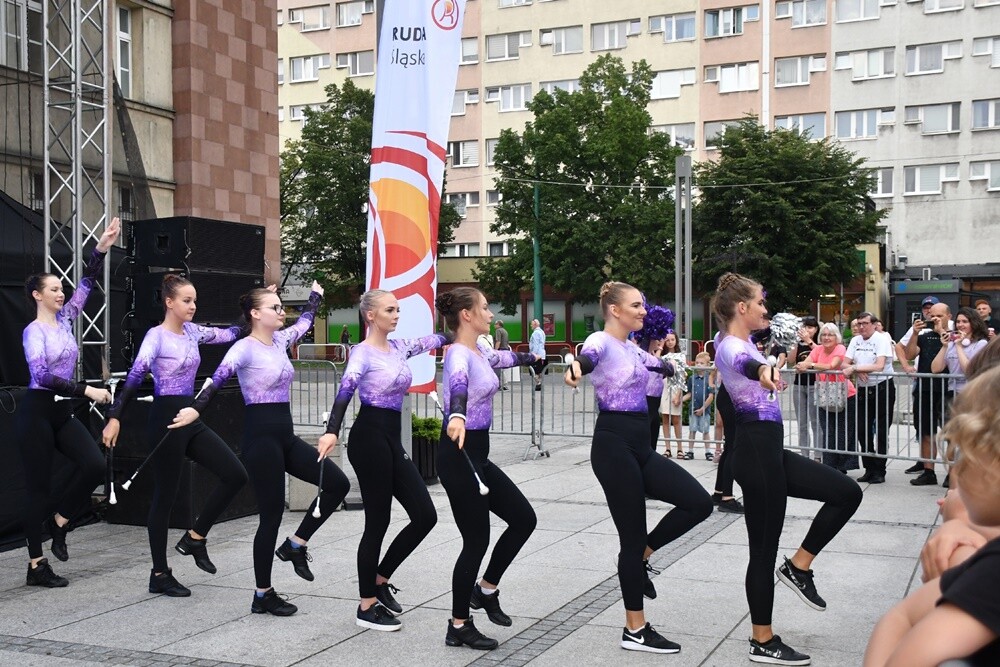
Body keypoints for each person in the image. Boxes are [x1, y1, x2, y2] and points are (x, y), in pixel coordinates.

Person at [170, 281, 350, 617]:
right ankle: (262, 594)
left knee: (337, 484)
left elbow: (305, 323)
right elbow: (216, 379)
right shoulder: (244, 348)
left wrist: (316, 296)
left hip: (286, 437)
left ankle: (296, 545)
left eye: (281, 307)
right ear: (255, 314)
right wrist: (196, 408)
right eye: (274, 307)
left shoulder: (281, 341)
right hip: (260, 441)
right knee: (271, 517)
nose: (282, 311)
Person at [712, 272, 862, 666]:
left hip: (770, 453)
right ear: (742, 308)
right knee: (762, 551)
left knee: (847, 493)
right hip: (756, 456)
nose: (766, 308)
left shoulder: (745, 340)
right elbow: (745, 365)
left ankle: (799, 566)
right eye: (761, 303)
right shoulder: (730, 346)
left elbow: (756, 356)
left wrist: (772, 360)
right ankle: (762, 640)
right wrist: (764, 371)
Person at [565, 281, 712, 654]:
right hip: (613, 445)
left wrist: (672, 365)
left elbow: (658, 365)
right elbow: (586, 357)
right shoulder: (601, 341)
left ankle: (645, 554)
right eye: (636, 305)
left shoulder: (632, 349)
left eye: (643, 305)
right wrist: (576, 368)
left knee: (699, 503)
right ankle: (635, 628)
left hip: (641, 447)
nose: (643, 311)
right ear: (615, 310)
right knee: (629, 540)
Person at [102, 274, 250, 597]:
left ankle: (195, 537)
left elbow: (232, 334)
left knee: (235, 474)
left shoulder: (193, 332)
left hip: (191, 416)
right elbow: (133, 379)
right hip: (165, 421)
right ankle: (159, 573)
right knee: (165, 497)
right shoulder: (155, 337)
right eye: (186, 300)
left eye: (194, 300)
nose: (193, 306)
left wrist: (251, 307)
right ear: (168, 302)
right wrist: (115, 418)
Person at [317, 289, 450, 631]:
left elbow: (434, 338)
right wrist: (332, 431)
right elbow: (344, 391)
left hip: (391, 439)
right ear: (370, 316)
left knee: (425, 515)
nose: (396, 314)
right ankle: (366, 606)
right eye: (390, 310)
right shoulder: (361, 354)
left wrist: (461, 332)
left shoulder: (399, 346)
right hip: (369, 438)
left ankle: (380, 579)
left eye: (398, 309)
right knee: (377, 522)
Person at [863, 366, 1000, 667]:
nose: (955, 470)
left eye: (962, 452)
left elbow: (909, 652)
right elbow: (899, 616)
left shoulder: (992, 571)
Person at [16, 217, 121, 588]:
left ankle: (59, 523)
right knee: (37, 489)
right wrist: (87, 390)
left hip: (61, 412)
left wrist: (102, 246)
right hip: (38, 412)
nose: (61, 294)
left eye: (62, 289)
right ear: (37, 295)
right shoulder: (34, 332)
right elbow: (42, 376)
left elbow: (88, 283)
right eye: (54, 290)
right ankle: (35, 566)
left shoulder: (65, 321)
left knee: (93, 465)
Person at [436, 287, 542, 651]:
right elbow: (458, 386)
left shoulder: (481, 349)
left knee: (523, 518)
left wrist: (533, 358)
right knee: (476, 540)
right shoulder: (458, 355)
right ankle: (458, 624)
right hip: (459, 453)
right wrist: (458, 414)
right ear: (466, 315)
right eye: (484, 307)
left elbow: (503, 360)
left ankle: (485, 590)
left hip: (478, 453)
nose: (491, 313)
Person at [901, 302, 950, 486]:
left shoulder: (955, 337)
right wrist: (914, 333)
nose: (935, 318)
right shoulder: (924, 336)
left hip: (948, 390)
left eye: (940, 316)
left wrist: (941, 333)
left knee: (951, 433)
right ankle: (929, 471)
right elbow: (910, 354)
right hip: (925, 390)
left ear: (948, 317)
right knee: (925, 432)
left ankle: (952, 473)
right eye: (933, 315)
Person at [843, 312, 895, 484]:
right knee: (863, 430)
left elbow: (879, 366)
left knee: (880, 430)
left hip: (882, 387)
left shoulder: (881, 340)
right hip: (863, 389)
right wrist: (859, 369)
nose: (861, 327)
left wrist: (857, 368)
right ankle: (869, 468)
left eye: (865, 323)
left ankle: (880, 470)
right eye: (859, 324)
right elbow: (844, 363)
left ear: (874, 324)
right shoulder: (855, 340)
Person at [802, 323, 859, 473]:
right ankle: (830, 465)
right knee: (827, 430)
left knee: (843, 431)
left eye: (830, 335)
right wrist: (806, 364)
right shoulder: (818, 349)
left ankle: (842, 466)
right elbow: (807, 361)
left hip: (845, 394)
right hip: (824, 393)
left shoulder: (840, 348)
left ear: (837, 337)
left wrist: (812, 365)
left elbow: (832, 365)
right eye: (824, 335)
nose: (826, 338)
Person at [932, 306, 990, 397]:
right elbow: (935, 369)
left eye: (965, 321)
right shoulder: (951, 343)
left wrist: (959, 346)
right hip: (952, 391)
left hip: (972, 392)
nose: (960, 325)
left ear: (973, 323)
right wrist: (944, 346)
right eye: (958, 322)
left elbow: (968, 370)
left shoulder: (981, 343)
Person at [789, 317, 820, 460]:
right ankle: (804, 454)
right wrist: (795, 343)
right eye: (805, 327)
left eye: (811, 327)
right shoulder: (798, 343)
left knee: (816, 421)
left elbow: (820, 354)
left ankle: (818, 454)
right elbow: (790, 360)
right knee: (802, 422)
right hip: (799, 385)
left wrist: (808, 341)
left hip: (815, 385)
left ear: (816, 329)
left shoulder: (818, 342)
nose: (807, 330)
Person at [895, 296, 945, 375]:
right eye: (925, 308)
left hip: (945, 374)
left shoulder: (950, 325)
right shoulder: (917, 327)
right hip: (922, 374)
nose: (928, 310)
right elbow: (899, 347)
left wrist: (940, 330)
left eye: (931, 307)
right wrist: (906, 366)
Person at [660, 332, 687, 458]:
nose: (670, 342)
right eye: (667, 340)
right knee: (665, 419)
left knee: (676, 419)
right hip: (664, 387)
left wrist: (678, 394)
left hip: (676, 387)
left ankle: (680, 448)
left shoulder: (681, 356)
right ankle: (668, 448)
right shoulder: (663, 355)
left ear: (676, 340)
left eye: (672, 339)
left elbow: (682, 377)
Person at [684, 351, 715, 459]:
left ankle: (708, 451)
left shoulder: (709, 378)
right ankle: (690, 451)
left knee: (705, 431)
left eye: (701, 363)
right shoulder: (692, 378)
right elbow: (690, 393)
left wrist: (703, 408)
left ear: (707, 365)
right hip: (693, 409)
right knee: (692, 430)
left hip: (704, 410)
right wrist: (681, 400)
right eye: (697, 362)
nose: (698, 365)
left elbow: (711, 396)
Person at [528, 318, 546, 391]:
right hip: (542, 354)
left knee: (534, 371)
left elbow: (535, 344)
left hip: (537, 354)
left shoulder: (535, 333)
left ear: (535, 324)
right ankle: (539, 384)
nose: (531, 325)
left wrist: (533, 354)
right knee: (539, 370)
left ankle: (538, 383)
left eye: (531, 324)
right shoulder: (542, 332)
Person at [493, 320, 510, 390]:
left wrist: (495, 351)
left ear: (498, 324)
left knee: (499, 368)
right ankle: (504, 383)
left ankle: (502, 384)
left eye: (495, 324)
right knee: (502, 368)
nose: (494, 325)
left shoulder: (498, 331)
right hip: (505, 350)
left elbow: (498, 341)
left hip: (501, 350)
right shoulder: (505, 331)